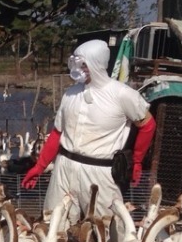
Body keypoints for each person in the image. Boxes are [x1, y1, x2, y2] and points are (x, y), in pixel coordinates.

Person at [21, 38, 156, 223]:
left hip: (100, 171)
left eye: (84, 65)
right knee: (53, 223)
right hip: (64, 167)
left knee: (106, 228)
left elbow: (147, 125)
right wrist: (39, 166)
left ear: (96, 64)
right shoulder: (71, 94)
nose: (79, 70)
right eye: (78, 64)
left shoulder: (122, 94)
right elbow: (57, 133)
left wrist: (137, 161)